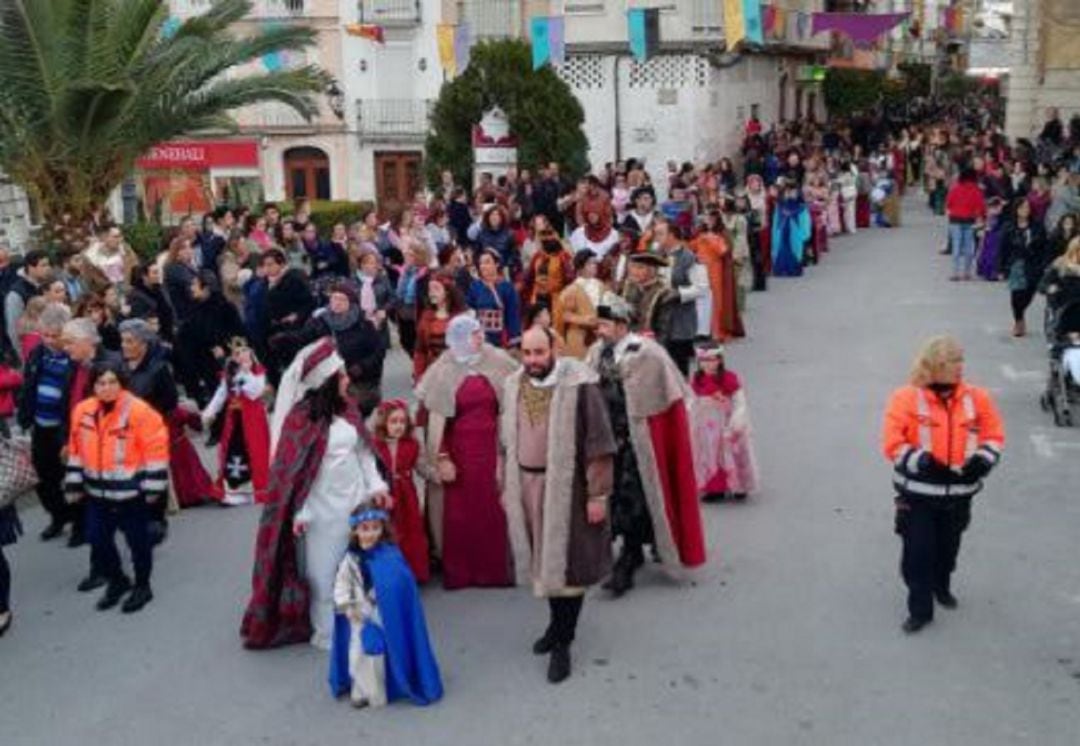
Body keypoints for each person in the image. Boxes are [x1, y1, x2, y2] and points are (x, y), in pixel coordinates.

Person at [241, 339, 389, 650]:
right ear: (326, 381)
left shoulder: (348, 410)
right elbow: (292, 476)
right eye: (342, 375)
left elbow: (363, 453)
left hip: (356, 503)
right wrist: (302, 511)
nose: (348, 379)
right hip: (322, 511)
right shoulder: (301, 419)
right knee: (324, 573)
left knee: (362, 564)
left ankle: (363, 619)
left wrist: (375, 485)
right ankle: (327, 630)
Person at [501, 326, 615, 684]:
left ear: (555, 349)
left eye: (539, 352)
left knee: (569, 568)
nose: (533, 360)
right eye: (527, 353)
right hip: (527, 487)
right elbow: (505, 439)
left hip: (568, 490)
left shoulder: (580, 386)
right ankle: (555, 625)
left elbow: (599, 444)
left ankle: (564, 642)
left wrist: (598, 495)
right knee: (544, 564)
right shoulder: (513, 384)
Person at [881, 336, 1005, 634]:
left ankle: (942, 583)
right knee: (917, 553)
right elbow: (892, 443)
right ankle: (920, 609)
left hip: (960, 495)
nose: (961, 367)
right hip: (918, 495)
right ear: (934, 366)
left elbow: (993, 435)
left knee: (948, 549)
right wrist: (924, 463)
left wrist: (983, 461)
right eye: (953, 361)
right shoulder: (906, 398)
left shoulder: (978, 398)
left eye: (961, 359)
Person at [586, 295, 706, 596]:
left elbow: (672, 396)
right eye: (598, 324)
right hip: (607, 441)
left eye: (604, 324)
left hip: (639, 445)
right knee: (610, 497)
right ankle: (632, 548)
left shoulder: (648, 354)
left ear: (622, 325)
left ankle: (628, 559)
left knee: (634, 501)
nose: (599, 330)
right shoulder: (596, 352)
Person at [415, 314, 518, 589]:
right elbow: (434, 418)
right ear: (459, 338)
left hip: (492, 447)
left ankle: (494, 571)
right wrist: (443, 457)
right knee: (459, 515)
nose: (481, 337)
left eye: (480, 332)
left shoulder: (497, 359)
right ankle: (461, 572)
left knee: (493, 510)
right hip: (459, 451)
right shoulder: (443, 368)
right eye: (474, 334)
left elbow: (513, 397)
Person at [65, 361, 170, 614]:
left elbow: (156, 451)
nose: (107, 388)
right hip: (96, 493)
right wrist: (73, 483)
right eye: (101, 383)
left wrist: (154, 489)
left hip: (132, 494)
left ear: (121, 383)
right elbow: (76, 450)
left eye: (112, 382)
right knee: (96, 539)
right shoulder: (82, 411)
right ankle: (118, 581)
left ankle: (143, 586)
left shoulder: (140, 411)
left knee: (138, 543)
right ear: (93, 385)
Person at [328, 505, 443, 708]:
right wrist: (347, 607)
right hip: (358, 615)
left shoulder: (390, 555)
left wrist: (387, 601)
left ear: (382, 528)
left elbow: (401, 584)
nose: (370, 533)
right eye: (365, 528)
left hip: (383, 615)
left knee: (384, 650)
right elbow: (341, 585)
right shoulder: (349, 560)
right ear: (355, 530)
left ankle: (384, 687)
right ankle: (360, 689)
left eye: (375, 528)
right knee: (358, 652)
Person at [17, 303, 79, 543]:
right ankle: (58, 516)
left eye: (56, 336)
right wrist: (25, 414)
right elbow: (28, 385)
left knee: (73, 478)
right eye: (46, 335)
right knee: (44, 478)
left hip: (64, 427)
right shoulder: (37, 353)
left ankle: (79, 523)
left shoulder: (73, 357)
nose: (51, 341)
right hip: (41, 425)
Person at [200, 339, 271, 506]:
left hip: (252, 420)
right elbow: (221, 394)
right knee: (232, 452)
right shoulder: (229, 373)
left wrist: (246, 374)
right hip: (234, 419)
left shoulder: (257, 371)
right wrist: (209, 412)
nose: (241, 355)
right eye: (237, 353)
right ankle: (233, 492)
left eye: (244, 351)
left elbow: (255, 392)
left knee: (253, 452)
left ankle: (255, 491)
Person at [370, 401, 432, 584]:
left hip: (406, 494)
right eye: (393, 421)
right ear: (384, 423)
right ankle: (387, 573)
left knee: (410, 529)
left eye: (402, 422)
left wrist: (436, 475)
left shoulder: (412, 444)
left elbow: (421, 467)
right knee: (388, 530)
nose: (398, 426)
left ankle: (413, 571)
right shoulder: (375, 445)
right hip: (385, 492)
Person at [690, 343, 759, 502]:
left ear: (719, 360)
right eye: (703, 360)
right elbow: (691, 399)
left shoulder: (729, 378)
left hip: (727, 423)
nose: (707, 364)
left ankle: (739, 486)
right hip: (706, 425)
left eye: (711, 360)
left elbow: (739, 401)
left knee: (732, 453)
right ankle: (715, 488)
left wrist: (737, 419)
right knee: (709, 455)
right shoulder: (698, 379)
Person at [180, 271, 248, 407]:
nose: (191, 287)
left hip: (228, 364)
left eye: (194, 284)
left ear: (206, 288)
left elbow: (239, 335)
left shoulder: (225, 307)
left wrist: (225, 348)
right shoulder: (193, 309)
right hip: (205, 367)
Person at [999, 198, 1049, 337]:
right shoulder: (1009, 226)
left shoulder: (1037, 226)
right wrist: (1001, 268)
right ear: (1016, 210)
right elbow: (1003, 249)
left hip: (1033, 264)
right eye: (1021, 208)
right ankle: (1019, 321)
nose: (1024, 210)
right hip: (1016, 264)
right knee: (1016, 295)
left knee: (1029, 293)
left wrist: (1044, 263)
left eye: (1027, 207)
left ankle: (1021, 313)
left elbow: (1045, 246)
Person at [467, 248, 522, 349]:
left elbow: (512, 315)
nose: (483, 266)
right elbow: (470, 311)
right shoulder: (475, 286)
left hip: (501, 338)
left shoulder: (507, 287)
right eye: (481, 263)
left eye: (487, 262)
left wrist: (514, 339)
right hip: (481, 337)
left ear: (496, 264)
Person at [554, 250, 604, 361]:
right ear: (580, 267)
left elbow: (606, 308)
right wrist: (583, 319)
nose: (594, 266)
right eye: (591, 263)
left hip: (599, 335)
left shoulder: (601, 286)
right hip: (578, 336)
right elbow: (563, 315)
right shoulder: (572, 289)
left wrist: (603, 321)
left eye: (595, 263)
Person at [413, 274, 465, 380]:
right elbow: (420, 351)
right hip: (434, 373)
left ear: (447, 292)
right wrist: (419, 377)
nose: (431, 293)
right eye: (430, 289)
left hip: (457, 374)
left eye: (436, 288)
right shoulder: (426, 317)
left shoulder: (460, 318)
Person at [4, 249, 49, 365]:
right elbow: (14, 330)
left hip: (47, 346)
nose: (48, 268)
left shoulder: (43, 285)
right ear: (31, 267)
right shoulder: (16, 293)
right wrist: (25, 358)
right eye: (43, 265)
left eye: (48, 264)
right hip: (32, 354)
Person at [946, 167, 987, 281]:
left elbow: (948, 203)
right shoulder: (977, 190)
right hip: (970, 221)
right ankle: (967, 273)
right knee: (969, 247)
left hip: (955, 220)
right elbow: (981, 207)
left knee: (957, 246)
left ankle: (955, 273)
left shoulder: (955, 188)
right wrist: (982, 218)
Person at [771, 181, 811, 277]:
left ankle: (794, 269)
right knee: (781, 248)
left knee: (795, 249)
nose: (790, 194)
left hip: (795, 232)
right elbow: (776, 220)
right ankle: (780, 269)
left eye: (793, 192)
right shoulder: (780, 205)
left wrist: (805, 233)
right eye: (788, 192)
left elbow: (805, 220)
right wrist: (775, 231)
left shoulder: (801, 207)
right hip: (782, 231)